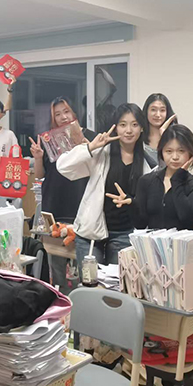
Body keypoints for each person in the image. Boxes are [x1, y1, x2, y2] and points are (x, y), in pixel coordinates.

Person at [133, 124, 193, 386]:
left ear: (192, 154)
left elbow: (187, 214)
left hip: (180, 263)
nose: (174, 157)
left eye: (181, 151)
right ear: (161, 152)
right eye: (168, 151)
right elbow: (141, 221)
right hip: (149, 260)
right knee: (149, 326)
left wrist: (177, 181)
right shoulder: (147, 181)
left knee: (174, 330)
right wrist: (130, 205)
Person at [57, 103, 150, 269]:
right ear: (115, 127)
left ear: (142, 128)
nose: (128, 130)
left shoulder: (147, 161)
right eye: (123, 124)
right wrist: (91, 147)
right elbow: (63, 167)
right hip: (90, 233)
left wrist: (130, 200)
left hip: (124, 233)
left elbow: (147, 203)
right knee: (90, 281)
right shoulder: (101, 153)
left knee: (117, 283)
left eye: (134, 124)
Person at [30, 97, 95, 289]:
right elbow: (41, 175)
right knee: (56, 263)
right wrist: (38, 158)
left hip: (81, 205)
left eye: (66, 111)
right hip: (54, 205)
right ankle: (60, 298)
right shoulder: (48, 140)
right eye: (57, 114)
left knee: (82, 263)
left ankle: (82, 300)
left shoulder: (89, 135)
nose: (63, 117)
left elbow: (96, 166)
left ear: (74, 112)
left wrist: (83, 143)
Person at [141, 93, 177, 168]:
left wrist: (165, 135)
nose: (158, 115)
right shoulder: (138, 136)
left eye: (162, 110)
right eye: (153, 110)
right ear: (146, 111)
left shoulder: (175, 137)